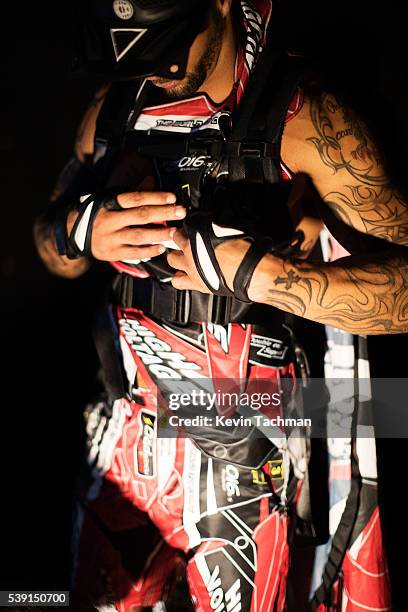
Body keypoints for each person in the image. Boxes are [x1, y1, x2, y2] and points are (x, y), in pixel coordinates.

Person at [33, 0, 397, 609]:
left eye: (167, 42)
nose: (150, 66)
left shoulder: (309, 118)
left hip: (249, 446)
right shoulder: (116, 102)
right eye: (133, 43)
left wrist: (261, 274)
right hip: (122, 432)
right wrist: (80, 230)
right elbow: (49, 247)